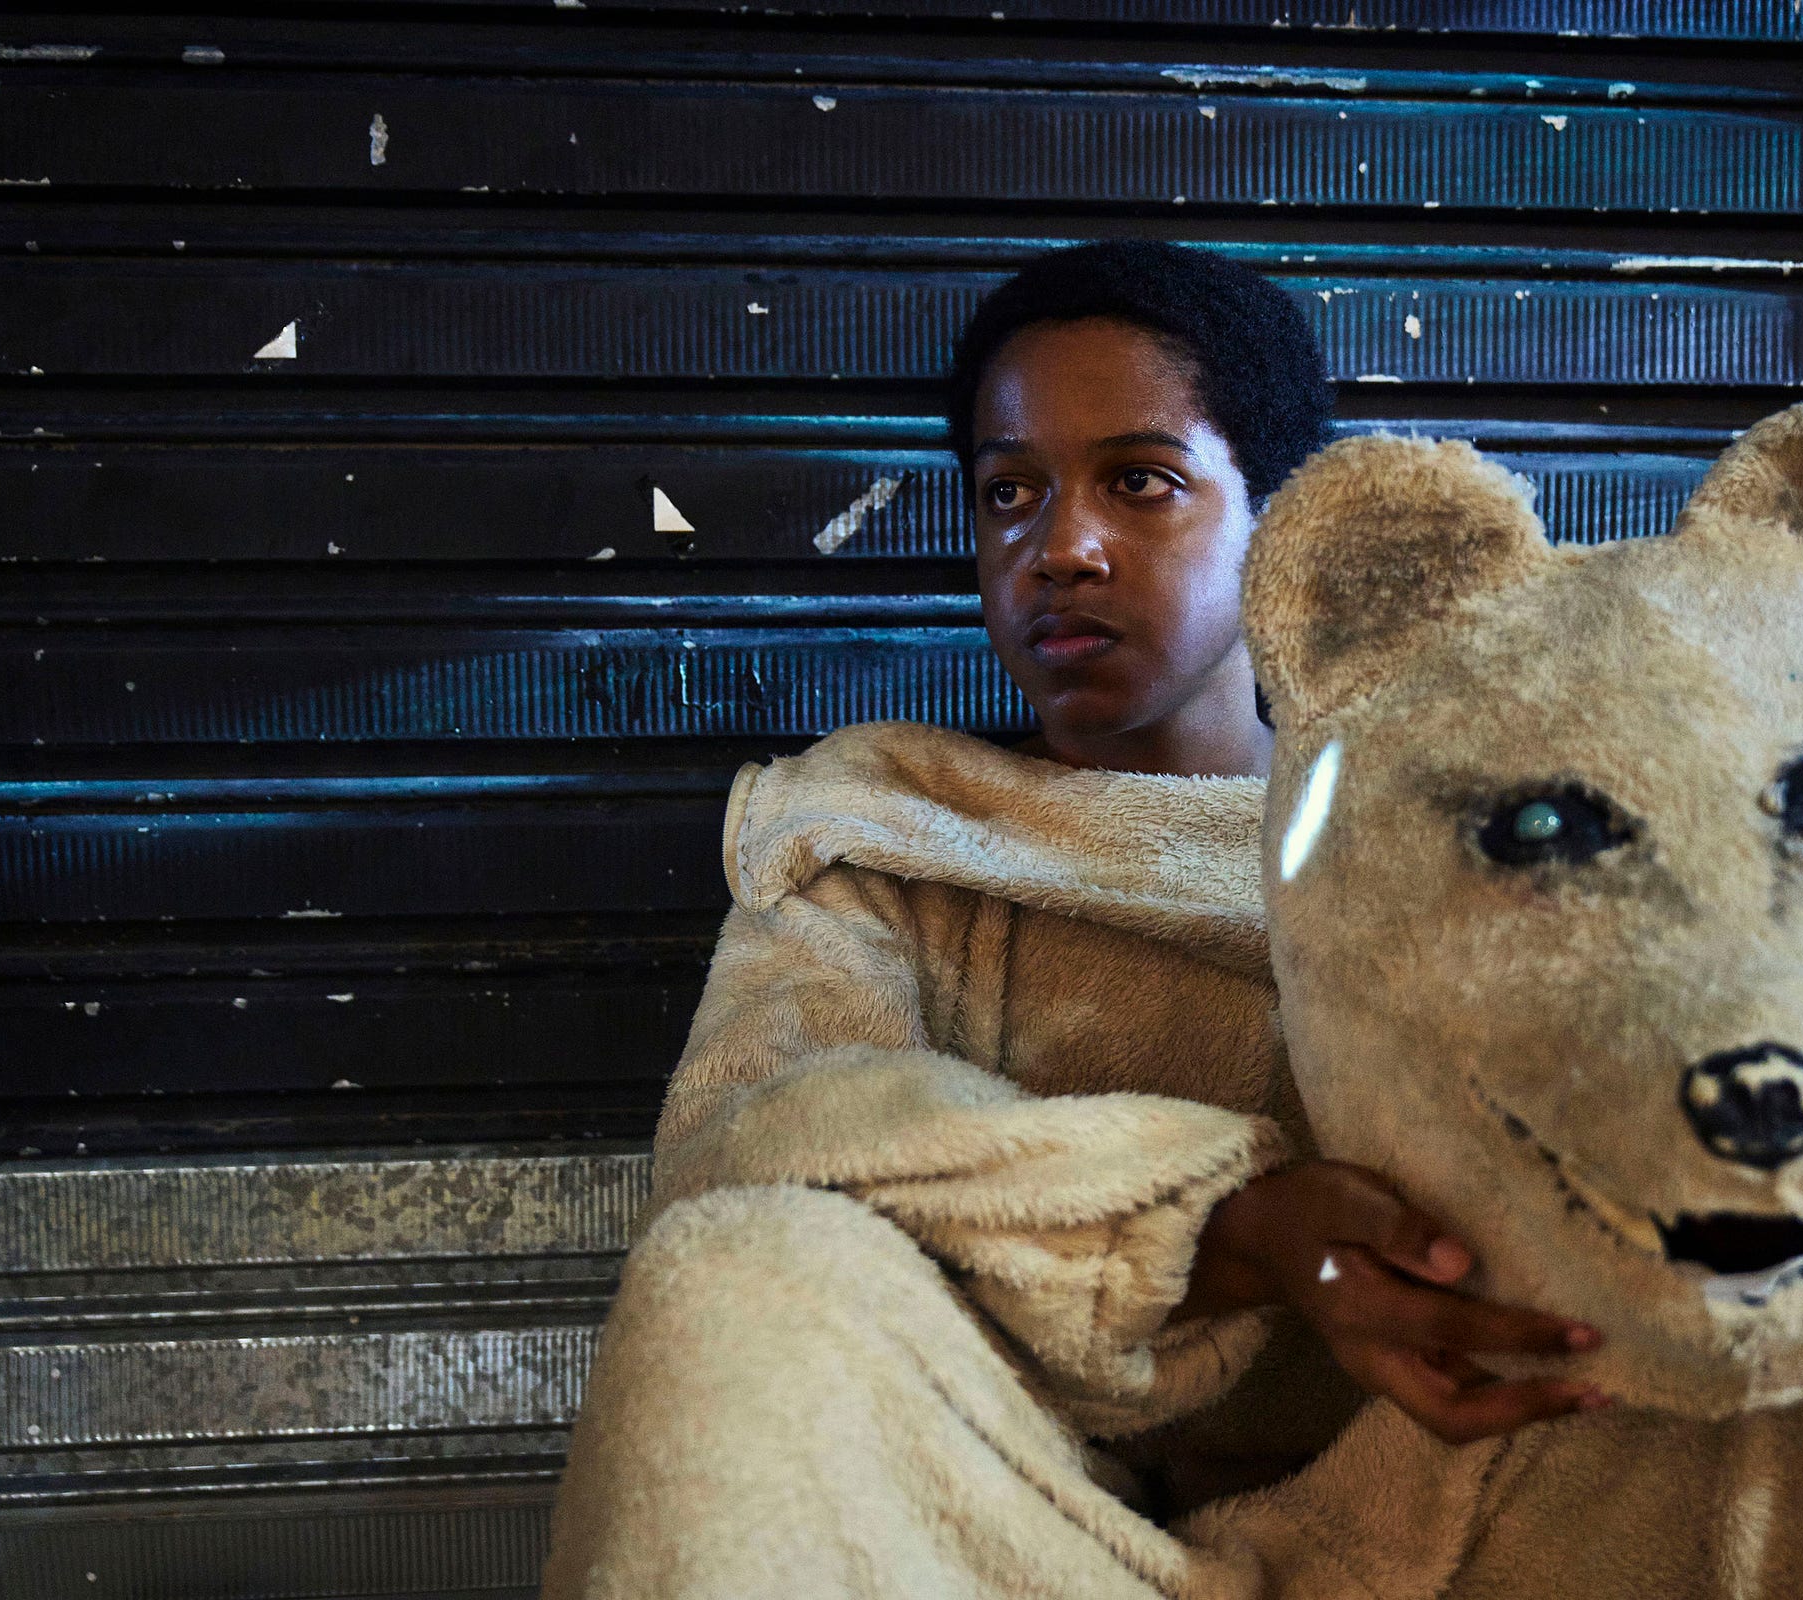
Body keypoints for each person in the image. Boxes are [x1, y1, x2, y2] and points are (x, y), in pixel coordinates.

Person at [542, 241, 1604, 1599]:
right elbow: (754, 1132)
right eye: (1011, 493)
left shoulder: (1440, 844)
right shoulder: (887, 835)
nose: (1064, 548)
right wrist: (1239, 1225)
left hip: (1428, 1519)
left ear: (1280, 524)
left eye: (1141, 482)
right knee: (733, 1273)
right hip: (995, 1532)